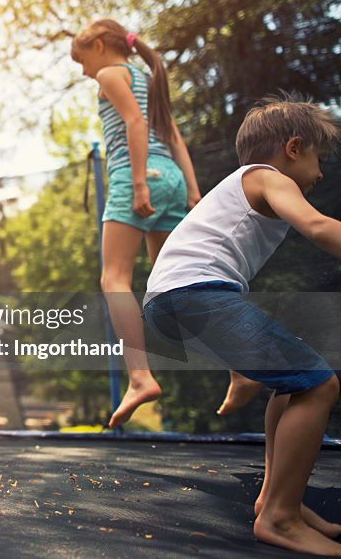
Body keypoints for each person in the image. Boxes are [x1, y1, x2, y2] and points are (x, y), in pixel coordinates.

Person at [143, 96, 341, 555]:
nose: (321, 173)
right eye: (318, 158)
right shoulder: (268, 177)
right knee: (321, 386)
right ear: (293, 147)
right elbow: (316, 226)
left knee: (295, 383)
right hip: (194, 294)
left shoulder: (243, 183)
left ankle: (274, 498)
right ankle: (280, 517)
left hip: (172, 301)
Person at [70, 18, 257, 427]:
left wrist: (138, 184)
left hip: (138, 175)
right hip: (171, 176)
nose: (83, 71)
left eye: (81, 59)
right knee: (176, 283)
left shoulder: (110, 72)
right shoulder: (148, 76)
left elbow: (135, 123)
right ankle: (239, 366)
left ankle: (139, 378)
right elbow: (171, 134)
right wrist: (192, 191)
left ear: (99, 46)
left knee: (114, 278)